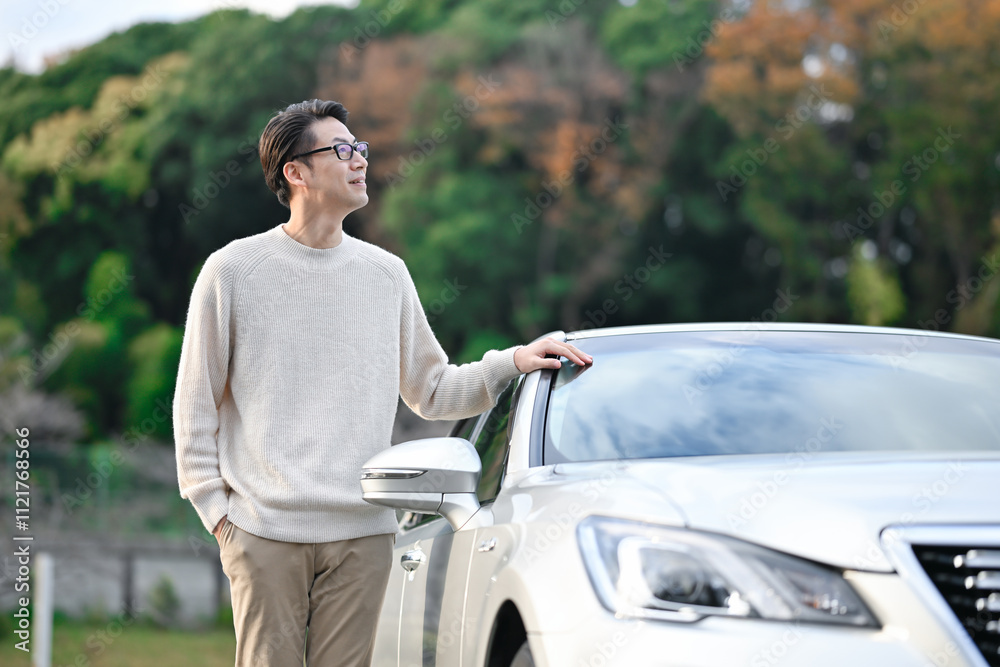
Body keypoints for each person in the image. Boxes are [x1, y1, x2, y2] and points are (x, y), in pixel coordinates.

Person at [172, 99, 592, 667]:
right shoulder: (231, 271)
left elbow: (433, 389)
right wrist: (219, 517)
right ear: (296, 172)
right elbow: (195, 405)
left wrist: (514, 360)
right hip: (263, 530)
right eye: (342, 150)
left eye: (361, 148)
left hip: (364, 534)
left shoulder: (386, 273)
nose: (360, 160)